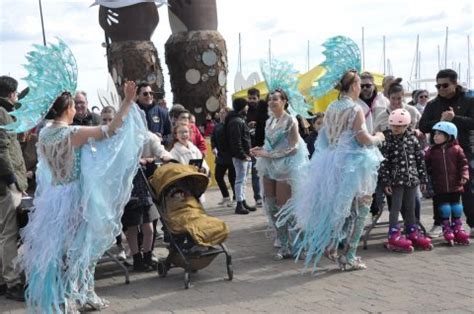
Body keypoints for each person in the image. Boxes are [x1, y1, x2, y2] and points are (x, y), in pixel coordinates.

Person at [18, 81, 148, 312]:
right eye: (72, 107)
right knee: (80, 249)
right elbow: (110, 130)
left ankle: (80, 293)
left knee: (66, 250)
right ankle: (72, 296)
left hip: (54, 197)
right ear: (66, 109)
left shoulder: (45, 133)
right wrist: (127, 102)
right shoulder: (72, 133)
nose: (75, 110)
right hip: (76, 198)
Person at [280, 70, 385, 271]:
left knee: (341, 207)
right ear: (354, 86)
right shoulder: (355, 109)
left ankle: (331, 245)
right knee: (361, 208)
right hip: (354, 164)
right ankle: (350, 255)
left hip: (332, 161)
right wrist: (379, 137)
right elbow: (362, 138)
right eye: (359, 83)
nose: (361, 87)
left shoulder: (332, 107)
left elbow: (325, 138)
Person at [251, 88, 309, 259]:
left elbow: (293, 148)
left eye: (275, 99)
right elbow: (270, 145)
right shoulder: (270, 121)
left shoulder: (291, 120)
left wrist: (268, 154)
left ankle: (299, 244)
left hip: (286, 166)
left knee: (286, 208)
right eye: (269, 99)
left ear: (284, 101)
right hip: (269, 166)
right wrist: (260, 150)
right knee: (271, 206)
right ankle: (284, 245)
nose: (271, 102)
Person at [419, 69, 474, 238]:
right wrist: (441, 121)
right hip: (438, 154)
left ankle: (471, 224)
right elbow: (423, 126)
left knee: (467, 188)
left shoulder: (469, 100)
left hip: (463, 151)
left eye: (445, 85)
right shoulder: (433, 104)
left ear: (455, 83)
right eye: (438, 85)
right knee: (440, 190)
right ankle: (438, 224)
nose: (441, 88)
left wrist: (454, 118)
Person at [379, 109, 432, 252]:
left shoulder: (413, 139)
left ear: (407, 125)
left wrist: (423, 180)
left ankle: (411, 231)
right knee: (395, 207)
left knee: (410, 206)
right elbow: (383, 162)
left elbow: (420, 161)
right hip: (396, 181)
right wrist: (386, 181)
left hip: (412, 179)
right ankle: (393, 234)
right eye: (393, 125)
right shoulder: (387, 141)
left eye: (399, 126)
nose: (395, 128)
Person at [0, 75, 28, 301]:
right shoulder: (1, 114)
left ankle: (4, 279)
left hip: (6, 183)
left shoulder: (6, 112)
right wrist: (13, 182)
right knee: (8, 234)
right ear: (11, 93)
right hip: (6, 185)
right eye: (16, 93)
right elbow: (1, 151)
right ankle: (11, 281)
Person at [425, 122, 470, 245]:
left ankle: (457, 227)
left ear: (449, 136)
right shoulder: (431, 151)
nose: (435, 136)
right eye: (435, 134)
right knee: (444, 209)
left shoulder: (457, 149)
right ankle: (446, 228)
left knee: (456, 207)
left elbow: (464, 164)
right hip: (440, 187)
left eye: (439, 134)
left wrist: (464, 176)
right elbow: (425, 165)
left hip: (455, 186)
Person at [225, 98, 256, 214]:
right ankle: (239, 204)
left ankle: (243, 201)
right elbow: (235, 141)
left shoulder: (239, 120)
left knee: (243, 180)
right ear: (242, 107)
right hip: (240, 156)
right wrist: (243, 155)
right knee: (240, 180)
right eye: (246, 106)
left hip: (245, 155)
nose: (248, 107)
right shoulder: (236, 122)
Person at [211, 107, 236, 207]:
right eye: (220, 113)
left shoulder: (231, 125)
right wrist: (213, 147)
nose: (221, 115)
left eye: (223, 113)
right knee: (218, 176)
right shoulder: (217, 126)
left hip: (231, 155)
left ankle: (236, 198)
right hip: (220, 156)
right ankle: (226, 196)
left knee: (232, 178)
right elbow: (213, 138)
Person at [246, 88, 263, 207]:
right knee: (255, 173)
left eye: (254, 98)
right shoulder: (245, 111)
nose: (251, 100)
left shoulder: (263, 110)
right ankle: (258, 197)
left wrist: (258, 124)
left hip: (264, 145)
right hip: (252, 146)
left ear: (258, 98)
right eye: (250, 98)